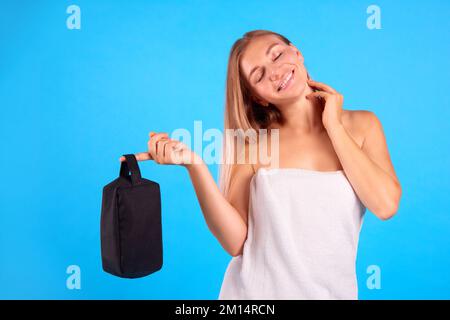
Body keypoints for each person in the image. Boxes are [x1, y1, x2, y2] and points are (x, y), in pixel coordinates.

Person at [120, 30, 402, 299]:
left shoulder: (363, 125)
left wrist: (334, 126)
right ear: (257, 96)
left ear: (297, 52)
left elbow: (385, 205)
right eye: (259, 74)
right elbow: (235, 242)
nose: (275, 72)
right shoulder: (252, 143)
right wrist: (194, 165)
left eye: (277, 55)